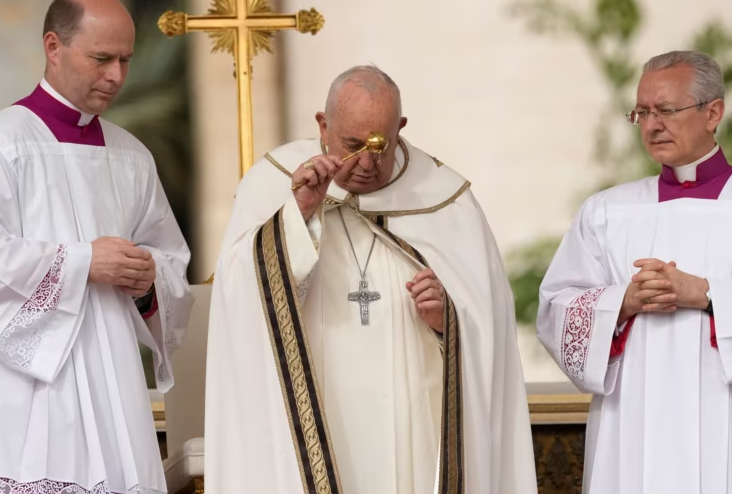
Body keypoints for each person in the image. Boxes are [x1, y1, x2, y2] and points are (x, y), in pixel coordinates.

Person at [203, 65, 536, 494]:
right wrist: (298, 214)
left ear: (401, 128)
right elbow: (238, 299)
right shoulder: (273, 184)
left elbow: (491, 327)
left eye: (380, 146)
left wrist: (447, 319)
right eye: (352, 145)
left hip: (415, 428)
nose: (365, 163)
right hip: (316, 420)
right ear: (323, 126)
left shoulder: (446, 201)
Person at [0, 0, 193, 494]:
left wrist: (147, 280)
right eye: (101, 58)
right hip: (26, 392)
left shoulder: (132, 157)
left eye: (125, 60)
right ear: (53, 46)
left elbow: (170, 260)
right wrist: (82, 263)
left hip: (114, 387)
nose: (116, 76)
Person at [537, 50, 732, 494]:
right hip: (634, 421)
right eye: (641, 113)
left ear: (713, 113)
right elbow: (556, 310)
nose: (651, 125)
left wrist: (704, 293)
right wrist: (624, 301)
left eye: (665, 110)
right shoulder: (607, 212)